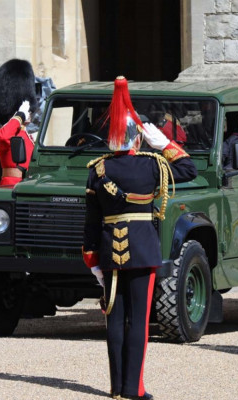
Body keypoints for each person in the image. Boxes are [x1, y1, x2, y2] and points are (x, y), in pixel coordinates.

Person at [82, 77, 197, 400]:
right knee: (139, 322)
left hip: (109, 249)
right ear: (138, 139)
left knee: (115, 320)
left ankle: (117, 386)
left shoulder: (98, 170)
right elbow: (189, 170)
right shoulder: (151, 166)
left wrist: (92, 258)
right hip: (143, 249)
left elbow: (91, 220)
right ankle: (135, 388)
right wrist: (164, 144)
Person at [0, 59, 38, 186]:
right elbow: (3, 136)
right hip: (11, 185)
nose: (29, 113)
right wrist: (20, 115)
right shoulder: (8, 130)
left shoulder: (25, 133)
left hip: (27, 183)